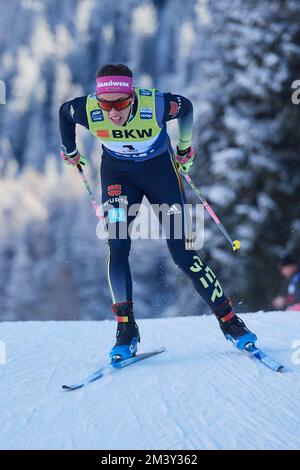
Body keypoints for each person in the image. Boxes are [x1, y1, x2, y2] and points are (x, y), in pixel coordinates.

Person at [59, 63, 257, 361]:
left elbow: (186, 108)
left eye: (122, 104)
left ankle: (230, 321)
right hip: (118, 179)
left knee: (183, 254)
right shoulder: (87, 109)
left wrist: (184, 147)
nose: (114, 113)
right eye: (106, 105)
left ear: (133, 96)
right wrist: (70, 149)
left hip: (161, 174)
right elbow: (64, 112)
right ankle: (126, 330)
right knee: (117, 245)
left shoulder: (156, 104)